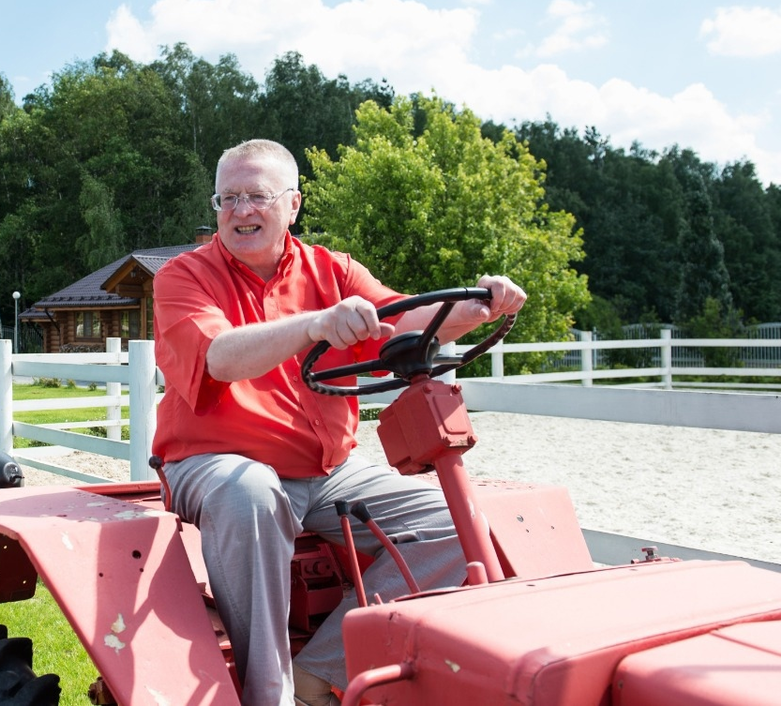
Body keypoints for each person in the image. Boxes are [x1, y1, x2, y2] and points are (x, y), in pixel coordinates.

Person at [151, 139, 526, 705]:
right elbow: (220, 355)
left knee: (460, 527)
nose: (241, 210)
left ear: (293, 204)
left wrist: (481, 306)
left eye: (257, 195)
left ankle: (320, 671)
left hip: (327, 471)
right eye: (227, 198)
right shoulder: (185, 277)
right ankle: (266, 695)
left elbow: (404, 321)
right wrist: (316, 324)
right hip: (214, 463)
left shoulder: (333, 268)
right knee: (250, 492)